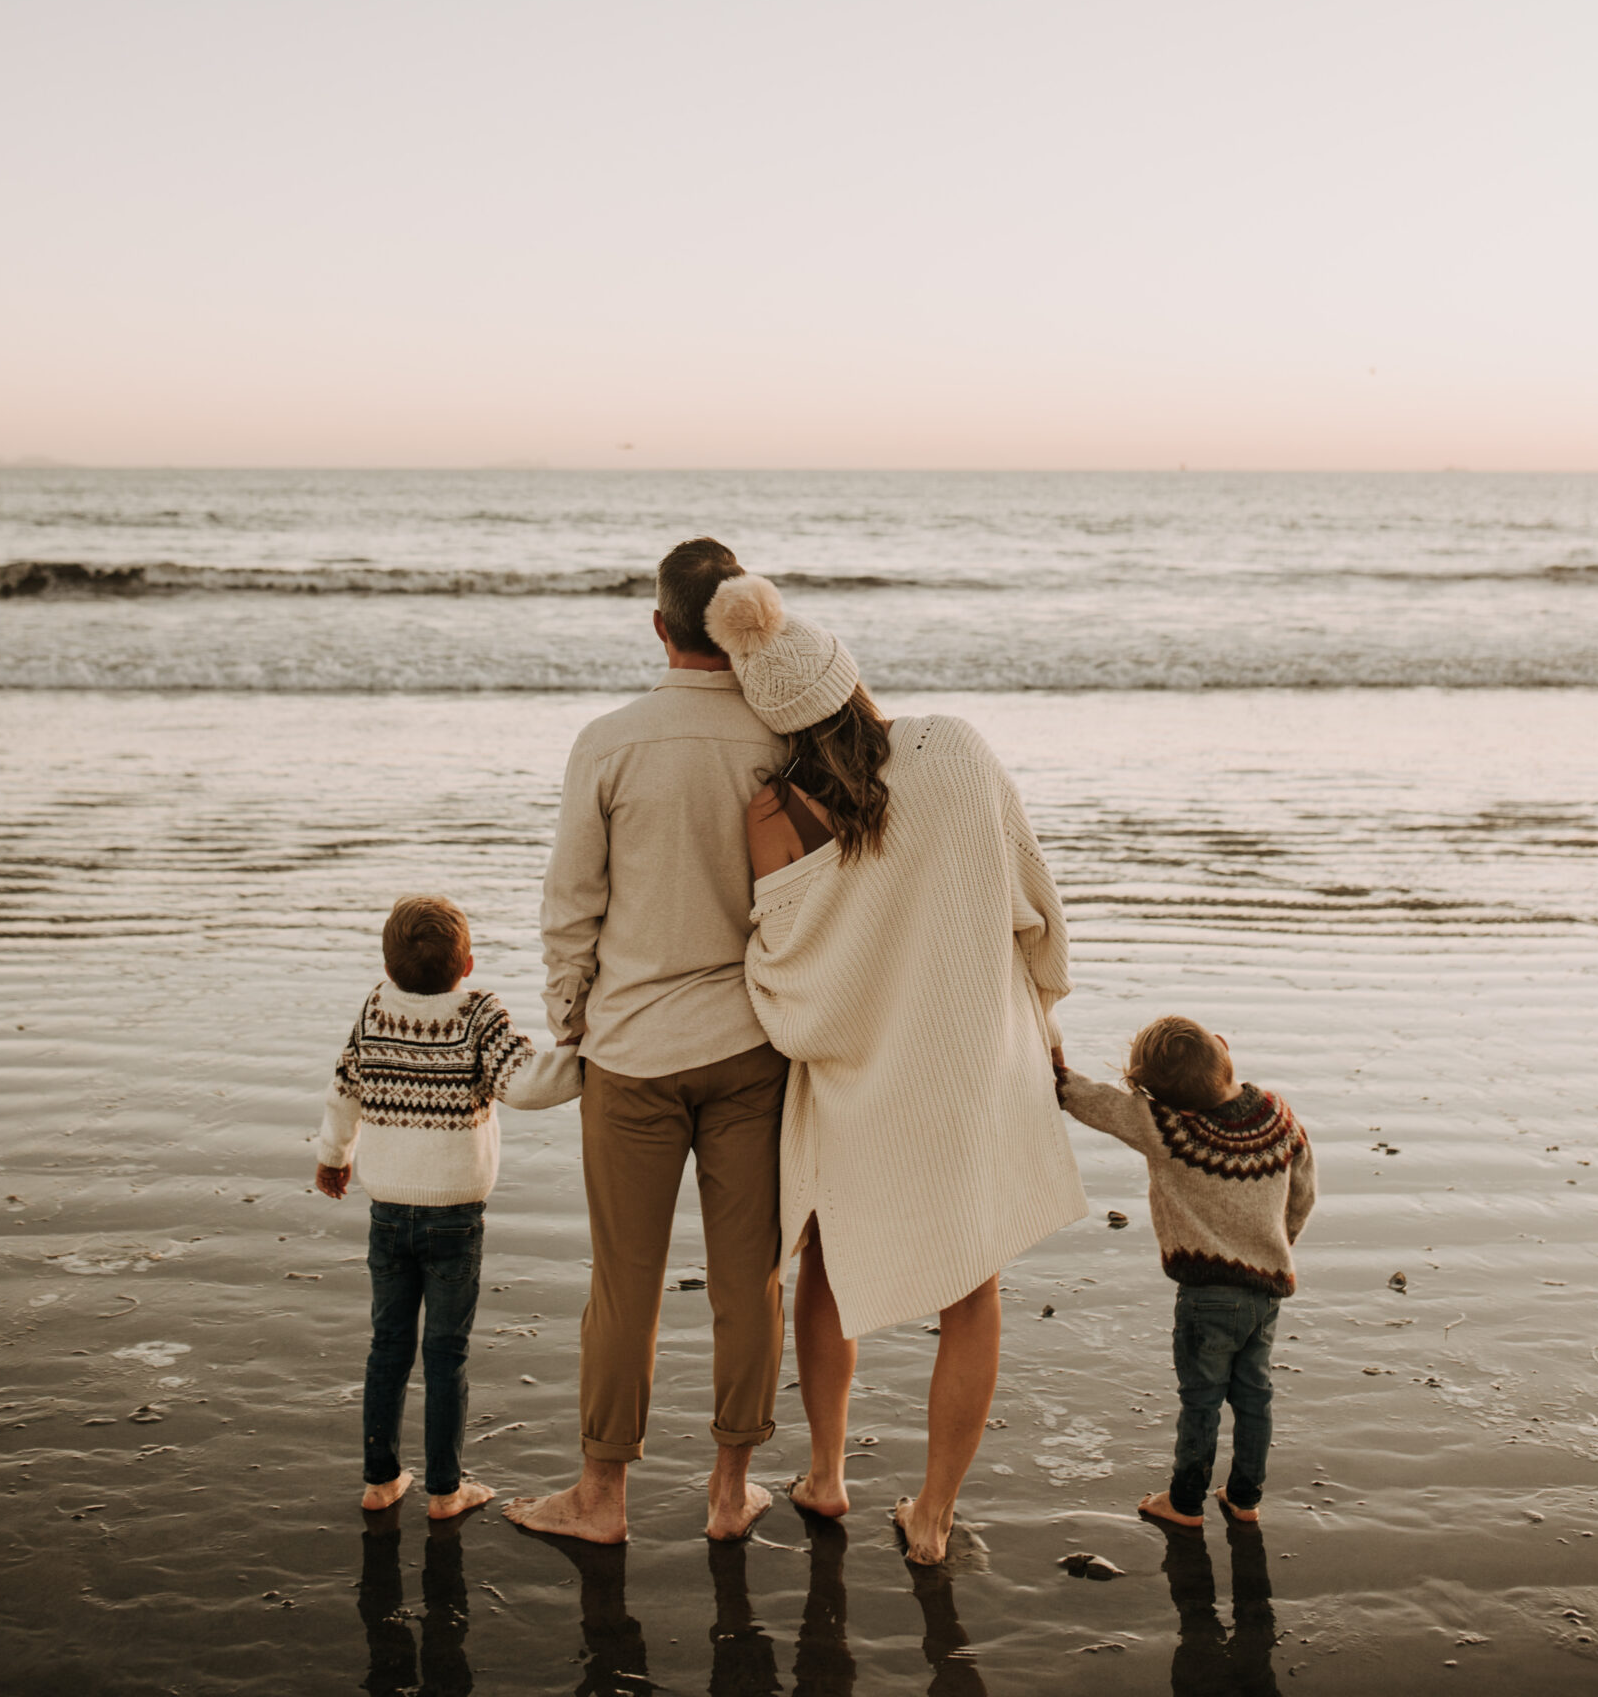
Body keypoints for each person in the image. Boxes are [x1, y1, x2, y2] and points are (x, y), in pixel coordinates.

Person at [708, 572, 1088, 1566]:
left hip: (858, 1083)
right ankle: (931, 1516)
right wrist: (1044, 1002)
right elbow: (1031, 889)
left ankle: (828, 1474)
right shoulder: (955, 749)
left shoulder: (774, 812)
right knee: (973, 1287)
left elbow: (785, 987)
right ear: (851, 677)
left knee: (828, 1263)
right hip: (965, 1065)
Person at [505, 538, 791, 1547]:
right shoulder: (780, 735)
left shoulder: (610, 740)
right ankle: (728, 1489)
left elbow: (571, 900)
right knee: (747, 1273)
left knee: (622, 1278)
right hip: (753, 1047)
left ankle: (602, 1495)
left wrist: (570, 1011)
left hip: (630, 1048)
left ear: (659, 625)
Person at [314, 892, 579, 1519]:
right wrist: (589, 1060)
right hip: (455, 1219)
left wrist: (334, 1155)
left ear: (388, 964)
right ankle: (444, 1489)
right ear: (467, 966)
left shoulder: (375, 1008)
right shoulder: (479, 1014)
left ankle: (380, 1482)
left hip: (387, 1213)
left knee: (388, 1346)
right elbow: (527, 1084)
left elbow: (344, 1088)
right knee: (446, 1354)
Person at [1054, 1015, 1315, 1529]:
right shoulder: (1279, 1119)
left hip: (1204, 1295)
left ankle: (1186, 1502)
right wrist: (1278, 1245)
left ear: (1159, 1097)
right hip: (1266, 1290)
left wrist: (1055, 1072)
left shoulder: (1167, 1128)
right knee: (1254, 1396)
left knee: (1201, 1401)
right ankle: (1244, 1498)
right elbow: (1303, 1193)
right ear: (1223, 1048)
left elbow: (1099, 1103)